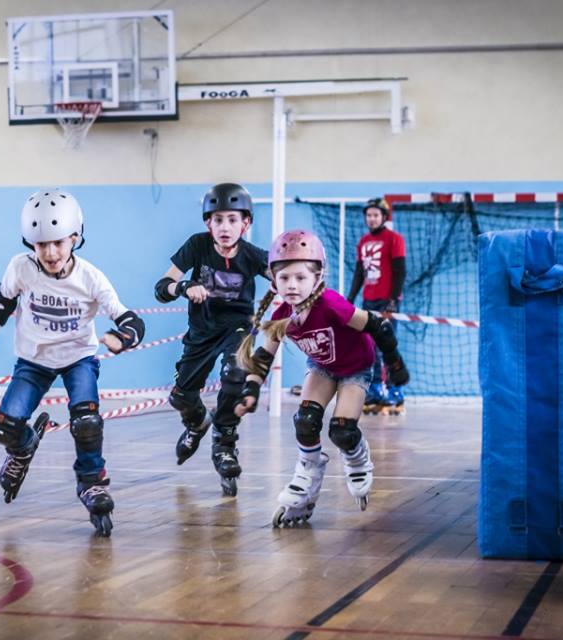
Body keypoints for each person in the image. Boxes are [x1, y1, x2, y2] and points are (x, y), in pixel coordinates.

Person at [0, 188, 145, 537]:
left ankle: (91, 482)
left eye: (58, 242)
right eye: (41, 244)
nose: (49, 252)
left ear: (75, 238)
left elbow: (130, 320)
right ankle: (23, 447)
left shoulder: (90, 277)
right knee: (3, 428)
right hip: (33, 361)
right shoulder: (21, 268)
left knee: (87, 421)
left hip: (79, 359)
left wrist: (122, 339)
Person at [234, 229, 409, 526]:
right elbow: (264, 357)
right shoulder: (281, 314)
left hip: (356, 366)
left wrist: (394, 363)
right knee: (306, 422)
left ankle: (356, 458)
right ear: (273, 280)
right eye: (285, 278)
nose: (292, 285)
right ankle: (308, 475)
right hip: (323, 367)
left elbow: (377, 326)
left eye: (300, 278)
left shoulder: (330, 304)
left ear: (316, 278)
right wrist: (250, 390)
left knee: (341, 430)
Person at [153, 183, 269, 496]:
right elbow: (162, 286)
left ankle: (225, 443)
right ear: (208, 223)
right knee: (181, 396)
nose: (225, 227)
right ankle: (197, 423)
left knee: (234, 373)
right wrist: (184, 287)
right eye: (218, 220)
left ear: (246, 223)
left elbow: (283, 275)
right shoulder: (197, 246)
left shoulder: (254, 256)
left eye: (233, 220)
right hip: (201, 332)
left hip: (238, 329)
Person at [346, 197, 409, 415]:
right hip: (368, 301)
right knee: (369, 347)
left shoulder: (394, 239)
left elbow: (400, 271)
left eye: (376, 215)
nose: (371, 219)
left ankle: (395, 391)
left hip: (386, 301)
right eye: (369, 215)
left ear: (383, 217)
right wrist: (350, 298)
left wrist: (393, 299)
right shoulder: (363, 242)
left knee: (388, 346)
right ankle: (374, 390)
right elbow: (359, 273)